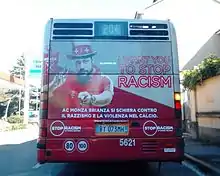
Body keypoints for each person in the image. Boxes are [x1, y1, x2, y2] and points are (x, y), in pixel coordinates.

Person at [44, 44, 114, 108]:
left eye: (85, 61)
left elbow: (107, 97)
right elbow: (44, 95)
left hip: (97, 120)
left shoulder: (104, 79)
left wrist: (92, 99)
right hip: (68, 120)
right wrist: (53, 85)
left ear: (92, 61)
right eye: (78, 62)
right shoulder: (66, 78)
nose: (81, 66)